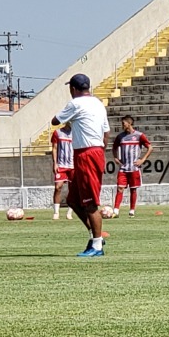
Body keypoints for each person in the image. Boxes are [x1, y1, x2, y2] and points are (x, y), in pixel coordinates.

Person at [52, 73, 110, 257]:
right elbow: (106, 132)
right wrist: (101, 151)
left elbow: (55, 121)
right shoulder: (98, 103)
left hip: (87, 153)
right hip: (93, 151)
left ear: (73, 89)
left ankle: (98, 245)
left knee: (90, 202)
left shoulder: (76, 104)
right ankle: (96, 236)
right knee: (73, 200)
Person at [111, 115, 153, 217]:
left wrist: (142, 160)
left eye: (123, 123)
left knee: (133, 189)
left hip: (134, 168)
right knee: (120, 188)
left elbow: (150, 147)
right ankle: (116, 210)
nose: (122, 125)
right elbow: (114, 147)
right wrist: (116, 158)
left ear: (129, 123)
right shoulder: (120, 136)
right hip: (123, 168)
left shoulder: (139, 135)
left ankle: (132, 210)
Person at [50, 124, 75, 220]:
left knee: (72, 190)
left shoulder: (76, 133)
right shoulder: (58, 132)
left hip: (73, 166)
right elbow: (55, 148)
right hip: (61, 165)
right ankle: (56, 212)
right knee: (58, 187)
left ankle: (70, 212)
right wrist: (55, 163)